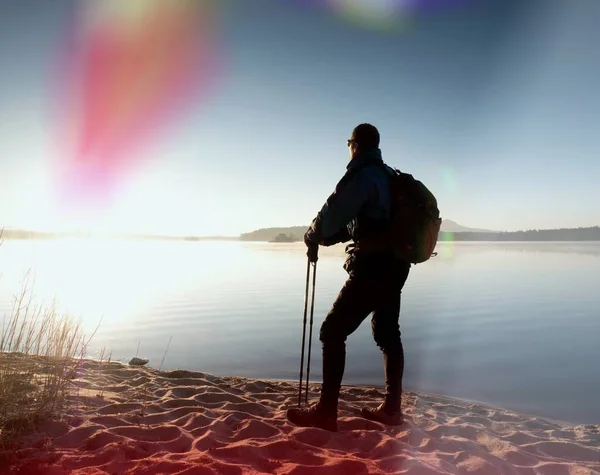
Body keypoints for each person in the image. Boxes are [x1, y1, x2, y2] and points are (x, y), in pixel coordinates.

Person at [286, 123, 411, 432]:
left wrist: (313, 235)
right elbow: (358, 224)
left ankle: (326, 413)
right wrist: (328, 237)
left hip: (372, 267)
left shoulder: (363, 175)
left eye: (349, 144)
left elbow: (332, 215)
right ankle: (392, 409)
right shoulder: (390, 176)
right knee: (386, 332)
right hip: (396, 266)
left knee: (332, 332)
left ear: (355, 145)